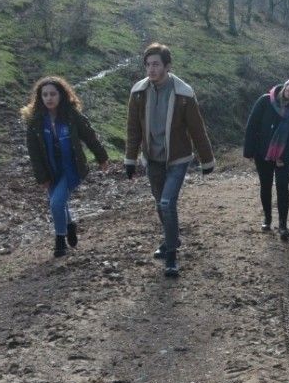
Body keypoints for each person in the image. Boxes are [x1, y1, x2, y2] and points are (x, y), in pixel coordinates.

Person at [125, 43, 215, 277]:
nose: (151, 69)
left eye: (156, 64)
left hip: (177, 157)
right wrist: (129, 159)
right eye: (148, 64)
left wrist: (207, 160)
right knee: (159, 204)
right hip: (152, 158)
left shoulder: (183, 93)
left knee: (166, 203)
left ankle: (171, 257)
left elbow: (197, 129)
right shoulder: (138, 92)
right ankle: (170, 240)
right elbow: (133, 128)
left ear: (167, 66)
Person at [23, 76, 109, 258]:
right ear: (40, 98)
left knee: (56, 203)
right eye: (45, 95)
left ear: (61, 95)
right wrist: (42, 177)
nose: (49, 98)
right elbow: (34, 153)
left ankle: (60, 240)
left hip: (72, 167)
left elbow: (89, 136)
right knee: (59, 203)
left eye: (53, 94)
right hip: (50, 169)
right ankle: (70, 226)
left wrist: (101, 158)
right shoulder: (35, 121)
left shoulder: (72, 116)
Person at [243, 75, 289, 241]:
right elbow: (252, 125)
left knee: (283, 187)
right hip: (262, 152)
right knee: (266, 185)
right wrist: (249, 150)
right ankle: (267, 219)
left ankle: (283, 225)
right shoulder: (265, 100)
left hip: (284, 156)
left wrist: (283, 156)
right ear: (286, 84)